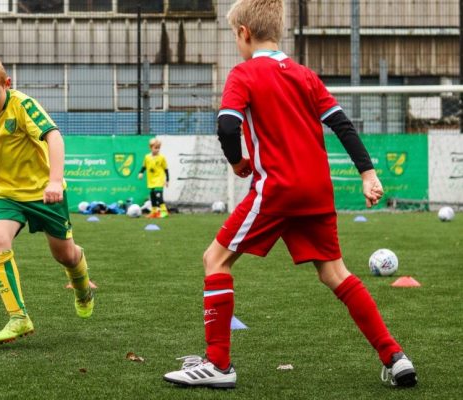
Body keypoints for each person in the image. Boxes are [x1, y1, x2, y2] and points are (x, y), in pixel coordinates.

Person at [163, 0, 416, 389]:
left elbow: (228, 126)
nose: (236, 42)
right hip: (316, 190)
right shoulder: (305, 75)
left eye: (235, 35)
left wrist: (236, 162)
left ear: (244, 32)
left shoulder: (243, 74)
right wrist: (367, 174)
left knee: (215, 258)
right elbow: (343, 125)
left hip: (276, 189)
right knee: (335, 272)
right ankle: (394, 356)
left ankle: (218, 365)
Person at [0, 55, 94, 344]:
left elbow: (54, 136)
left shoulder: (23, 105)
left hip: (44, 193)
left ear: (7, 83)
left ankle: (82, 288)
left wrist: (54, 181)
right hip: (4, 193)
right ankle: (18, 317)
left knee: (64, 254)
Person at [137, 138, 170, 218]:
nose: (157, 149)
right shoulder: (147, 157)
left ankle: (164, 211)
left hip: (159, 179)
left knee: (158, 195)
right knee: (153, 197)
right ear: (150, 147)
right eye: (155, 148)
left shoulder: (162, 158)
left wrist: (167, 180)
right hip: (151, 181)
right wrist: (141, 172)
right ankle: (154, 212)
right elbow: (144, 166)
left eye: (158, 148)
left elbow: (166, 169)